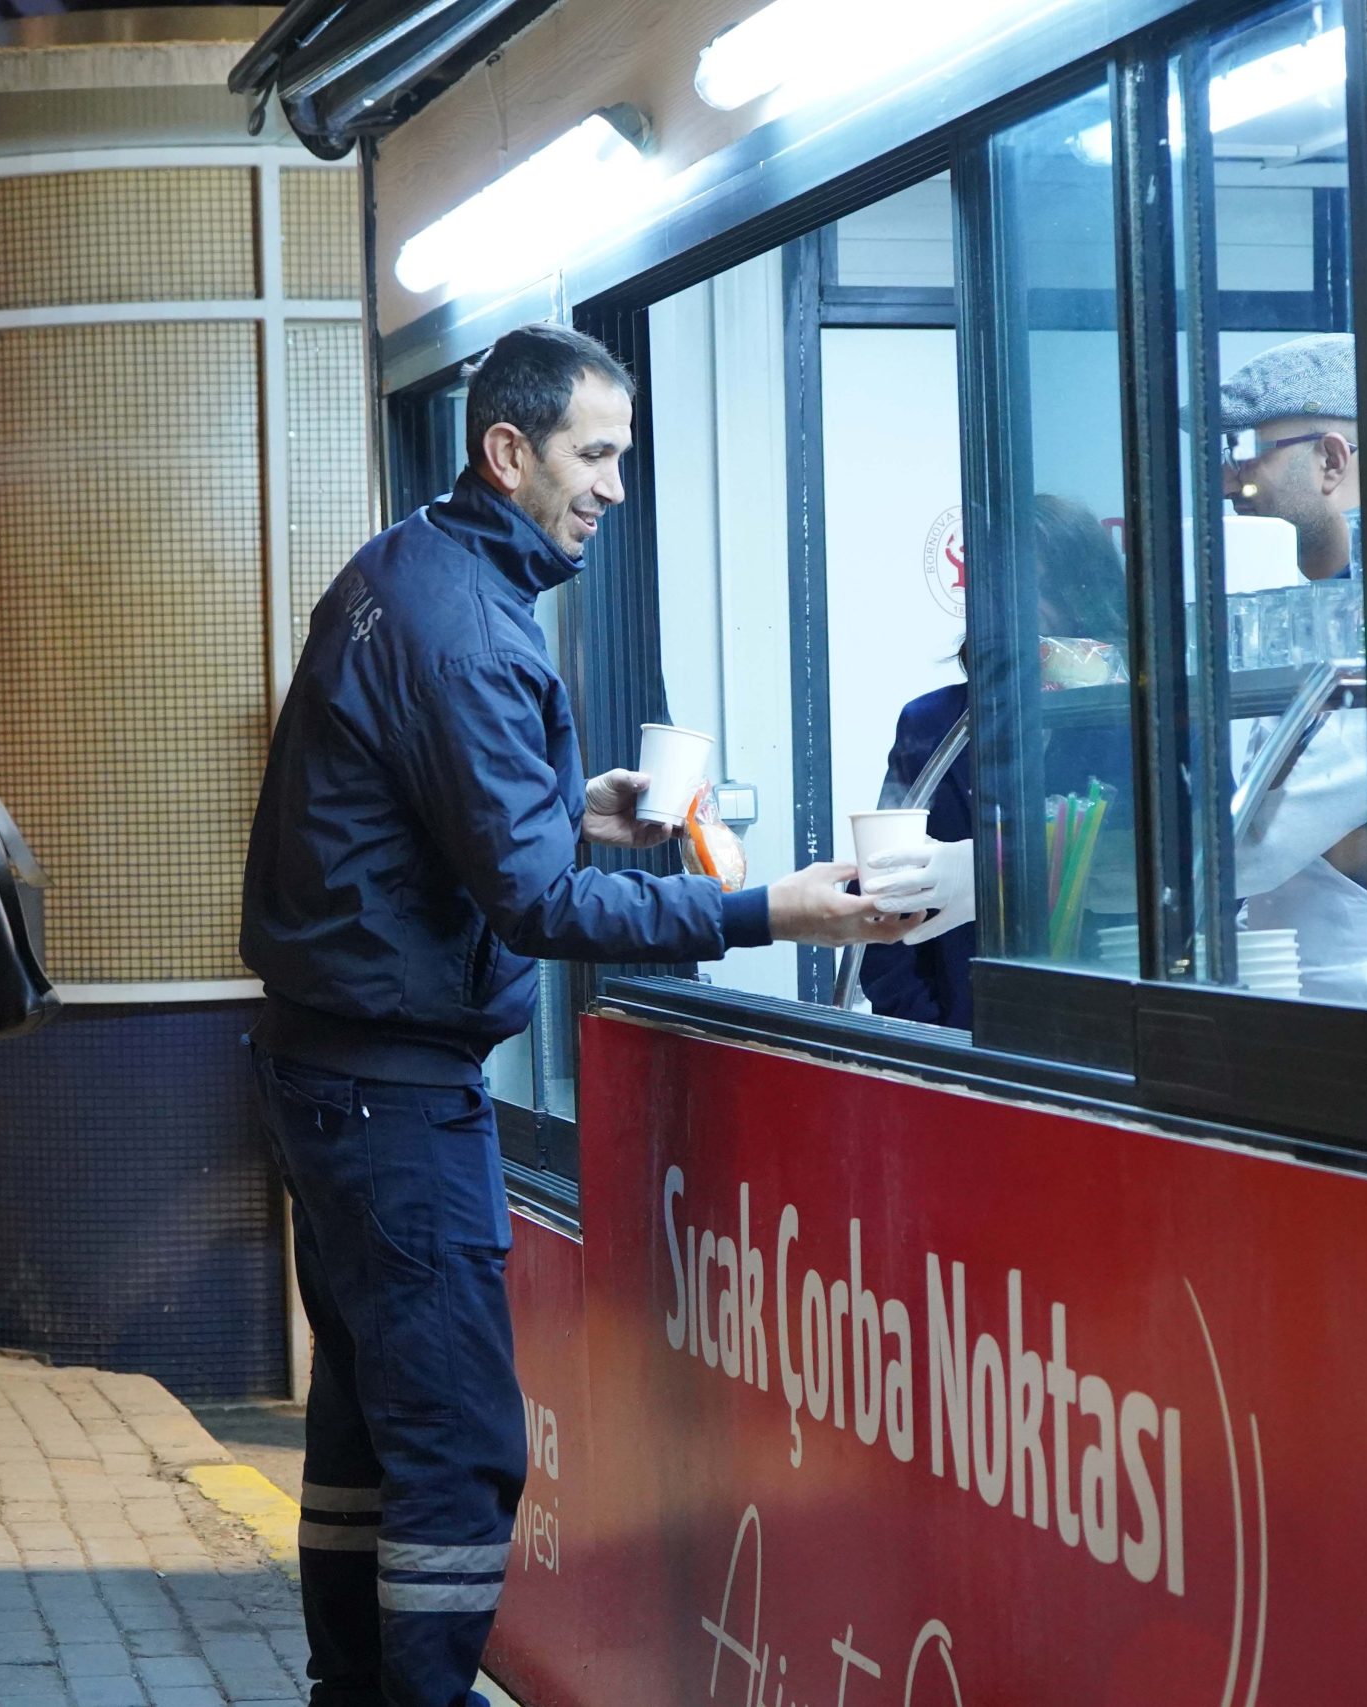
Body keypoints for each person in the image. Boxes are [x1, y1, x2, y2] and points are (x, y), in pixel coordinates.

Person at [240, 322, 905, 1707]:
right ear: (508, 450)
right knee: (463, 1447)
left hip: (333, 1075)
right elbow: (540, 908)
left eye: (621, 456)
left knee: (367, 1433)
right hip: (392, 1097)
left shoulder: (404, 569)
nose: (612, 486)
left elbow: (440, 829)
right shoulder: (471, 628)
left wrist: (564, 813)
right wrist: (765, 910)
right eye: (593, 456)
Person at [860, 495, 1133, 1027]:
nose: (1018, 611)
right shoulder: (936, 723)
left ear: (1088, 598)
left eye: (1041, 590)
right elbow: (879, 893)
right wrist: (929, 1032)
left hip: (1110, 1022)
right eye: (999, 590)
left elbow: (1205, 876)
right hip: (966, 1028)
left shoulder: (1137, 720)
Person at [1216, 331, 1367, 1005]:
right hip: (1287, 1002)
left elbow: (1258, 845)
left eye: (1248, 454)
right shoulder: (1315, 616)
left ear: (1331, 461)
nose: (1231, 482)